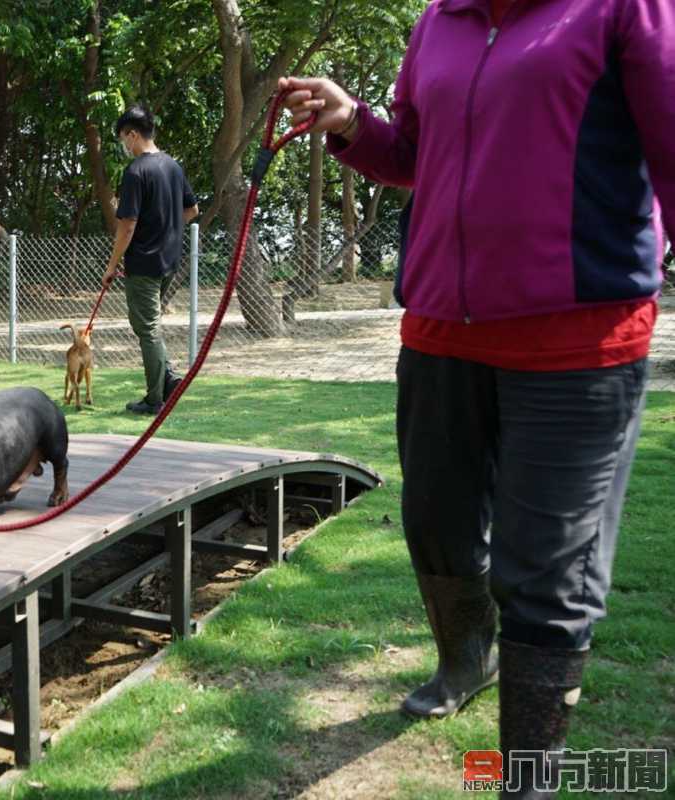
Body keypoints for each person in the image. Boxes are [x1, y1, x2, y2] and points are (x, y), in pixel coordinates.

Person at [282, 1, 671, 797]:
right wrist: (352, 120)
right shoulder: (438, 21)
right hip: (437, 334)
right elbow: (413, 156)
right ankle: (467, 660)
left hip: (575, 341)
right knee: (436, 526)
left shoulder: (622, 8)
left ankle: (525, 779)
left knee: (546, 574)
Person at [101, 105, 199, 415]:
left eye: (122, 139)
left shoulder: (136, 171)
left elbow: (127, 225)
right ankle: (168, 380)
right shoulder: (172, 166)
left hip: (143, 261)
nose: (124, 146)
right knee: (150, 324)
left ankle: (155, 398)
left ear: (132, 134)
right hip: (169, 259)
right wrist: (166, 230)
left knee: (147, 329)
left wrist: (112, 265)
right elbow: (191, 210)